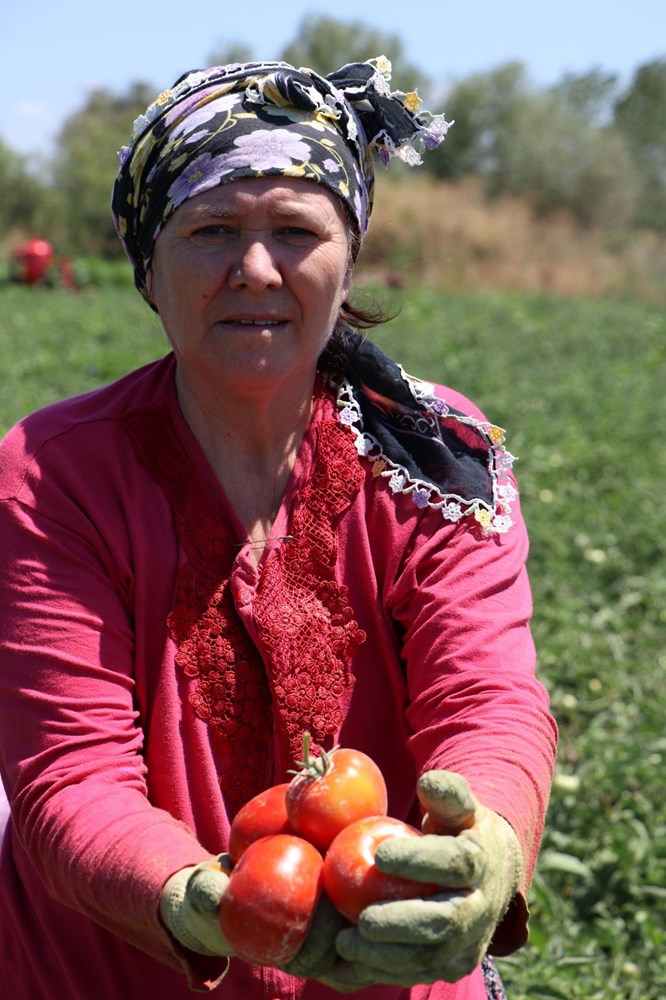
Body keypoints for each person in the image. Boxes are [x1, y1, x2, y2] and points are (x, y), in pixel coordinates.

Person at [0, 57, 557, 999]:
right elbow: (68, 771)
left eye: (296, 231)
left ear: (349, 260)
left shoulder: (439, 459)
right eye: (211, 229)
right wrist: (186, 897)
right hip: (113, 971)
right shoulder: (55, 472)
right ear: (150, 264)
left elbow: (489, 701)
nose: (254, 268)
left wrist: (491, 843)